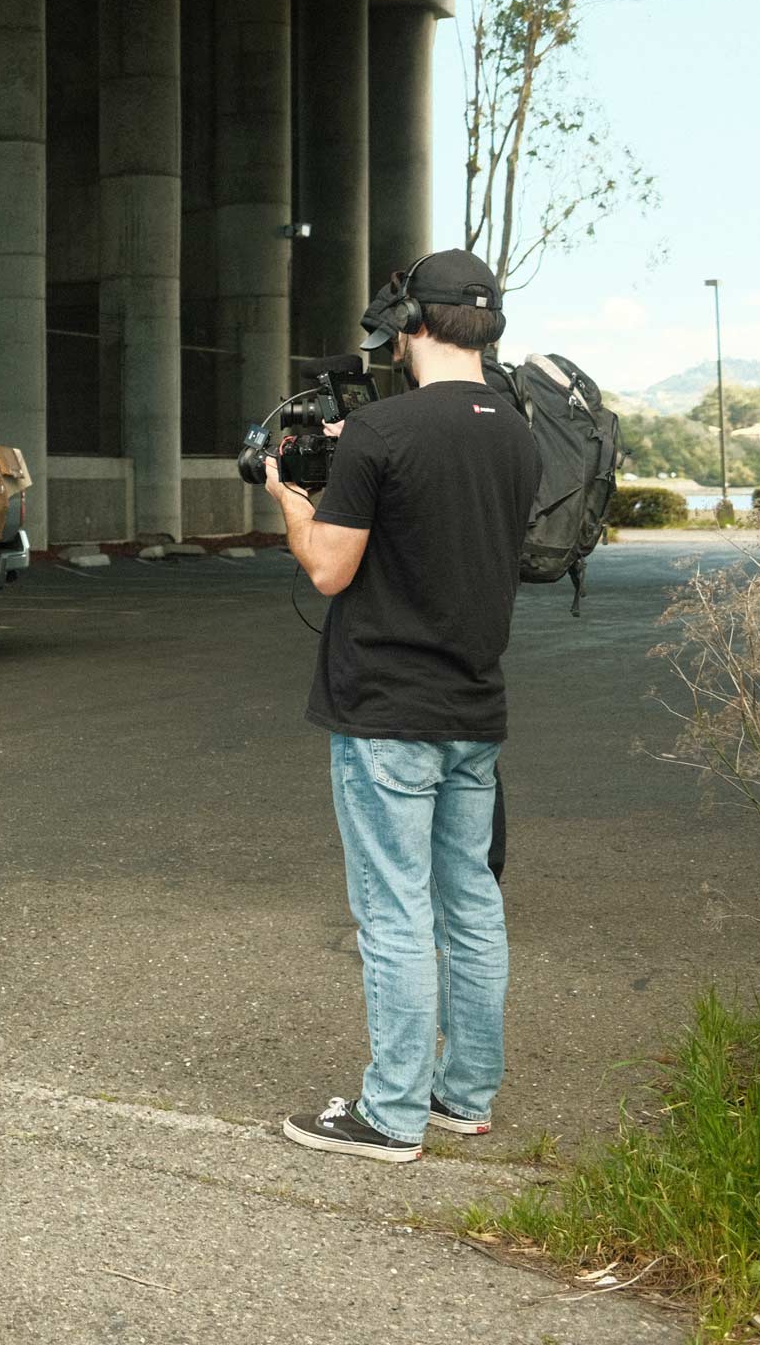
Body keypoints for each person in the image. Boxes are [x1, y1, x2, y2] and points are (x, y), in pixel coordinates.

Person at [262, 249, 538, 1164]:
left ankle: (388, 1115)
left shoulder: (382, 430)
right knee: (470, 903)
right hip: (473, 705)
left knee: (394, 913)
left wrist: (293, 501)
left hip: (386, 709)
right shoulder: (516, 429)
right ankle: (464, 1097)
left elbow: (331, 567)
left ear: (412, 322)